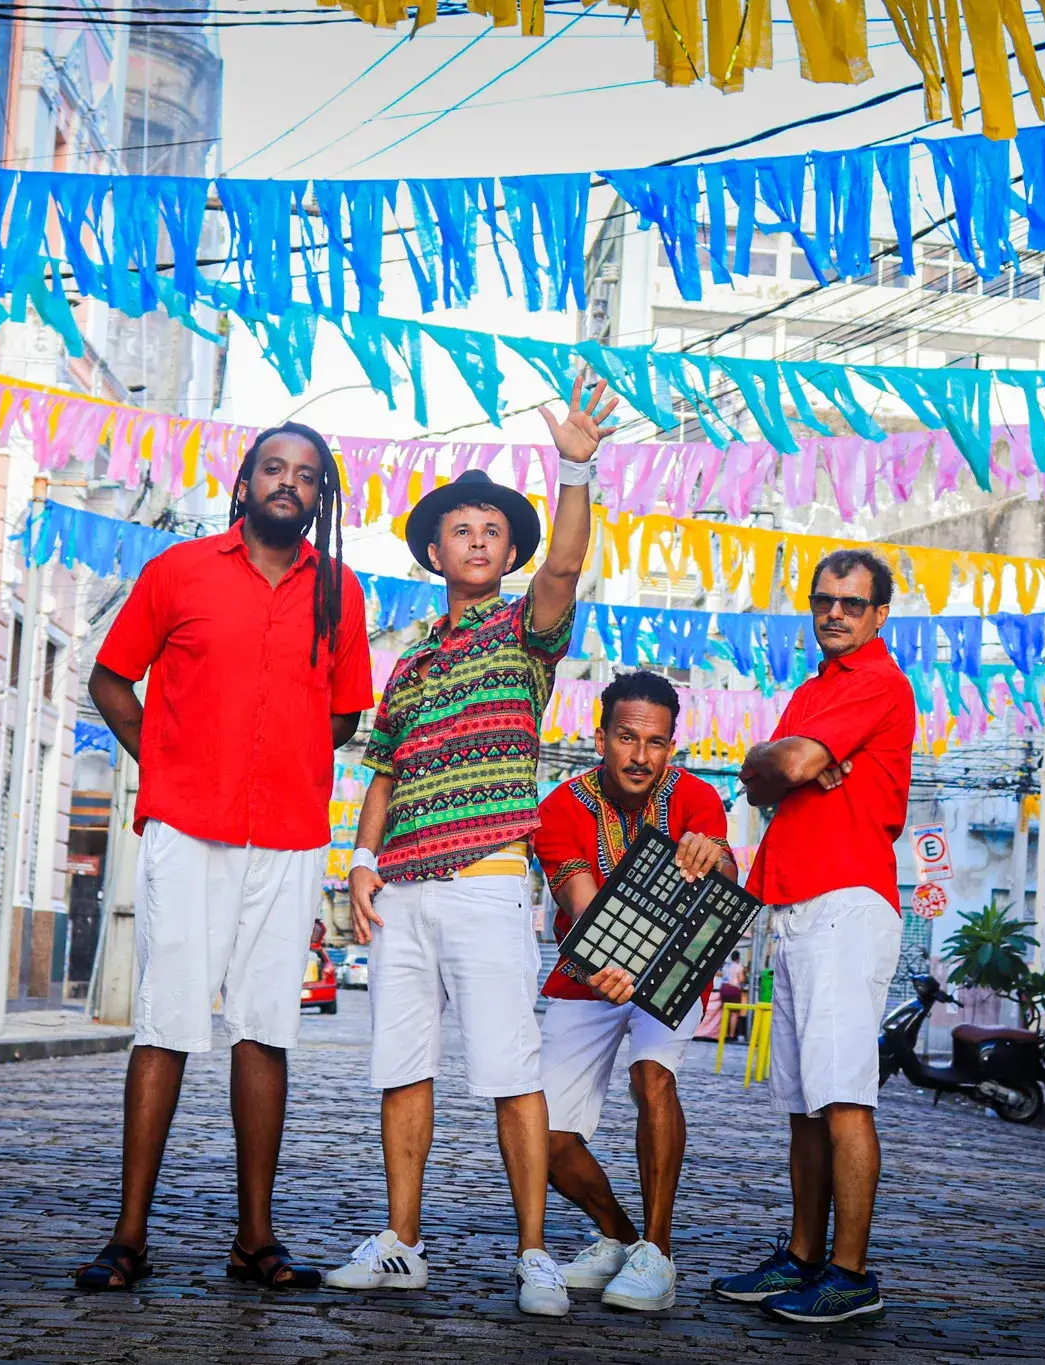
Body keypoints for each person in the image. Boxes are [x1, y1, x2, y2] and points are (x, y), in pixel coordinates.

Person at [325, 374, 618, 1317]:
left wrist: (575, 466)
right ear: (435, 549)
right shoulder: (408, 659)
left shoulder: (527, 633)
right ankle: (403, 1242)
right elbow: (385, 770)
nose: (480, 539)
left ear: (507, 550)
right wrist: (362, 862)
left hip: (490, 881)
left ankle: (534, 1251)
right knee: (401, 1068)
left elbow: (566, 567)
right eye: (463, 529)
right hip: (403, 888)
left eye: (495, 529)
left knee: (508, 1071)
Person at [73, 423, 372, 1293]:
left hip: (286, 836)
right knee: (166, 1022)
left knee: (267, 1028)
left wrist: (287, 754)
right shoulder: (179, 571)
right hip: (186, 828)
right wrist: (162, 762)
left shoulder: (340, 592)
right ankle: (128, 1235)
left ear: (321, 499)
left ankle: (255, 1238)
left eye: (307, 476)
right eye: (274, 468)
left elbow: (348, 712)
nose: (290, 483)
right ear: (243, 484)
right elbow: (109, 678)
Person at [711, 548, 914, 1326]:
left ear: (879, 615)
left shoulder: (876, 682)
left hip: (844, 905)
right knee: (802, 1104)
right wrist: (776, 763)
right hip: (790, 905)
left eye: (853, 603)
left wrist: (786, 762)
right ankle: (801, 1256)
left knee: (843, 1098)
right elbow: (763, 777)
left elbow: (785, 762)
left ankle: (852, 1273)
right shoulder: (812, 691)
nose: (835, 612)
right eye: (824, 599)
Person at [530, 669, 734, 1312]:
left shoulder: (699, 797)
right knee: (546, 1135)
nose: (640, 756)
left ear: (671, 747)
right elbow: (577, 898)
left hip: (674, 970)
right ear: (601, 737)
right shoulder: (560, 807)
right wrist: (606, 962)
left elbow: (726, 876)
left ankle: (659, 1253)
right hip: (588, 971)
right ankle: (621, 1239)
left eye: (656, 742)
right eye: (627, 738)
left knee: (653, 1080)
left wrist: (713, 853)